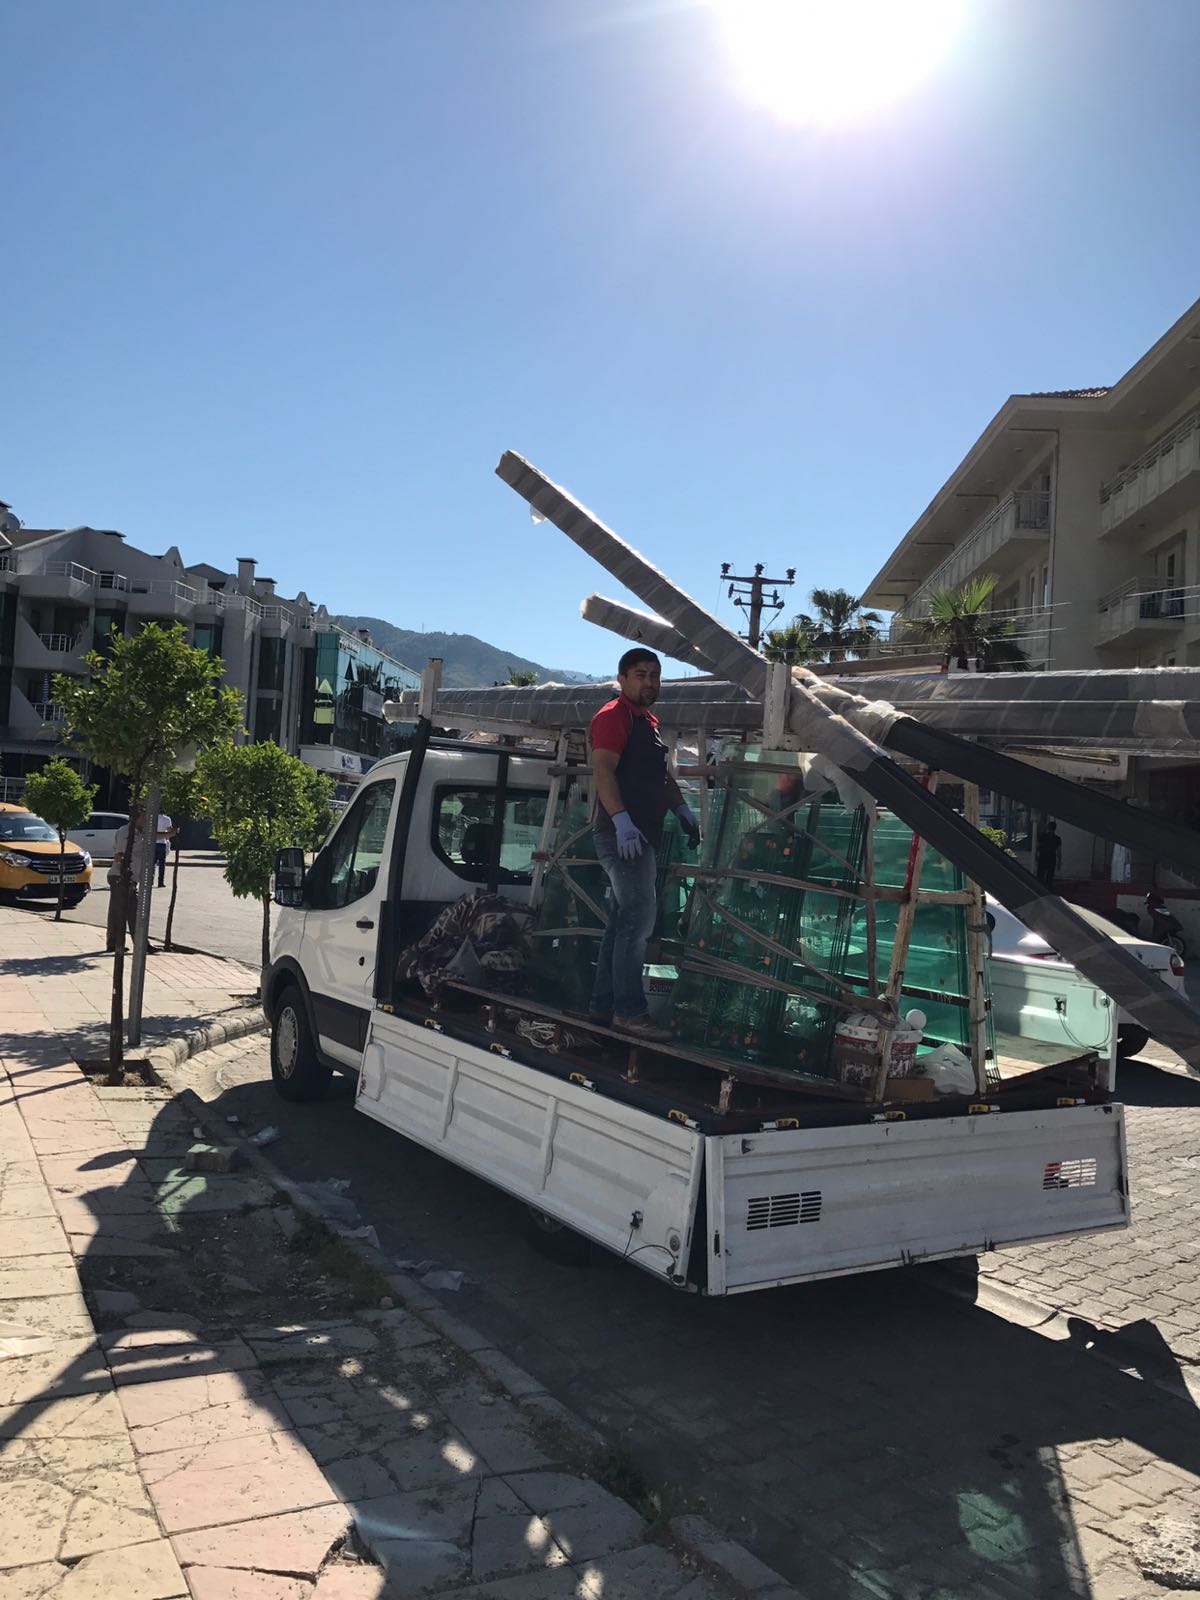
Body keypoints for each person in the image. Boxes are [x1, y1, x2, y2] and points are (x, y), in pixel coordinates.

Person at [587, 648, 701, 1041]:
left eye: (655, 675)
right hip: (622, 836)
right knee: (638, 921)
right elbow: (603, 771)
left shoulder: (647, 722)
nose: (649, 682)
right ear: (621, 679)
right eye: (640, 675)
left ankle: (604, 1005)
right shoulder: (613, 716)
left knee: (622, 922)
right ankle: (629, 1012)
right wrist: (621, 821)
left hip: (640, 835)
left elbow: (662, 778)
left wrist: (682, 809)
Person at [107, 815, 150, 953]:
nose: (146, 821)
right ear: (135, 818)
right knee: (129, 912)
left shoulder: (142, 832)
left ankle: (114, 943)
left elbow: (156, 836)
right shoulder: (125, 832)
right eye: (143, 818)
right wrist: (126, 876)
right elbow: (119, 856)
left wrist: (170, 833)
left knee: (119, 911)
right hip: (121, 878)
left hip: (130, 879)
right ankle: (138, 944)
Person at [1035, 818, 1062, 888]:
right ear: (1055, 829)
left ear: (1048, 827)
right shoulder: (1057, 839)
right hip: (1051, 858)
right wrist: (1059, 863)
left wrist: (1036, 856)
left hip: (1042, 858)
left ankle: (1039, 889)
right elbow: (1059, 852)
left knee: (1040, 876)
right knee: (1049, 877)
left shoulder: (1042, 836)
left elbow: (1037, 847)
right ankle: (1048, 889)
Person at [154, 811, 175, 888]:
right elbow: (169, 831)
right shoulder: (167, 819)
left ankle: (150, 880)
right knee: (162, 863)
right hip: (162, 842)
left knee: (152, 863)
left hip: (152, 843)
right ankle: (160, 882)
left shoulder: (152, 817)